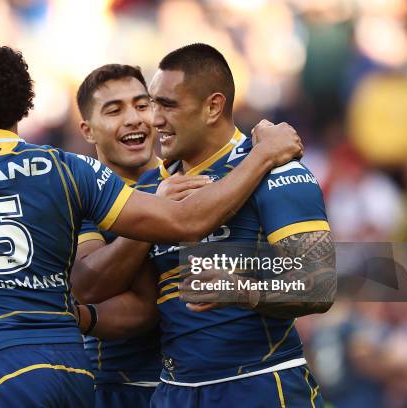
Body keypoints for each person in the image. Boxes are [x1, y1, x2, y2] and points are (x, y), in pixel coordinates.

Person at [0, 41, 303, 407]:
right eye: (115, 109)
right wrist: (262, 157)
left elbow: (328, 278)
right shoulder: (72, 175)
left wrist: (240, 279)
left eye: (145, 105)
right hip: (95, 378)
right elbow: (101, 283)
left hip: (198, 386)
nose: (138, 119)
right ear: (84, 129)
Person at [76, 43, 336, 407]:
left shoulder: (278, 169)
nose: (153, 120)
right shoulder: (153, 191)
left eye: (167, 105)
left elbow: (319, 284)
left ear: (213, 106)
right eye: (153, 104)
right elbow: (103, 288)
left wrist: (242, 290)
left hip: (259, 385)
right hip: (174, 393)